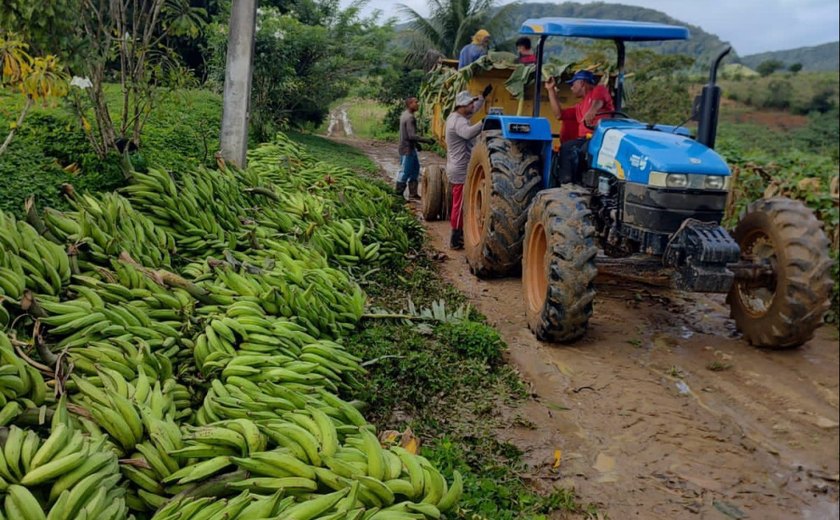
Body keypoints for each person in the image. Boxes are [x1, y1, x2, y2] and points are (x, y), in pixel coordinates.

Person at [544, 70, 615, 184]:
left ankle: (567, 183)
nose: (571, 88)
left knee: (569, 148)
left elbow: (598, 101)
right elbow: (559, 115)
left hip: (600, 138)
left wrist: (592, 110)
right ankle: (574, 182)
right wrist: (550, 90)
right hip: (585, 140)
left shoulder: (599, 90)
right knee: (568, 148)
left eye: (573, 84)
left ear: (582, 83)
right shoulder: (580, 107)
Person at [445, 86, 492, 249]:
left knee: (461, 202)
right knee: (460, 204)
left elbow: (474, 109)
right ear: (462, 106)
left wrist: (482, 96)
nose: (473, 106)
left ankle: (458, 235)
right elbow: (468, 133)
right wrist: (484, 121)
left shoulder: (459, 115)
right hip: (460, 169)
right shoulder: (457, 122)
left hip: (458, 165)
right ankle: (455, 238)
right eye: (470, 104)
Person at [395, 96, 434, 200]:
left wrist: (416, 145)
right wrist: (427, 140)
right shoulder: (410, 118)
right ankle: (398, 195)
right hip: (407, 149)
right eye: (416, 102)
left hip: (409, 148)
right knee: (405, 171)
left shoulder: (404, 115)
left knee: (415, 170)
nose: (418, 104)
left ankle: (413, 193)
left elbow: (408, 135)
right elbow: (411, 136)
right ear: (410, 104)